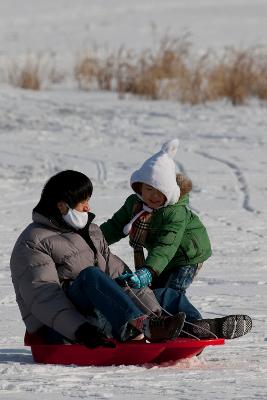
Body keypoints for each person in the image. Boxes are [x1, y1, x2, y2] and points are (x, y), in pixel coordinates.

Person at [10, 170, 186, 349]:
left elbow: (120, 277)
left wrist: (156, 318)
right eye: (83, 202)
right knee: (91, 276)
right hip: (63, 330)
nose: (88, 207)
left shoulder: (92, 232)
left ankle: (191, 329)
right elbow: (43, 298)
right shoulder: (33, 241)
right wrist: (81, 329)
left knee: (165, 295)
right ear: (62, 207)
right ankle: (138, 327)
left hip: (104, 315)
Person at [100, 139, 252, 339]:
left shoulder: (174, 212)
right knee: (153, 295)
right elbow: (114, 227)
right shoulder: (134, 204)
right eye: (149, 189)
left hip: (186, 256)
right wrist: (92, 241)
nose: (153, 196)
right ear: (139, 187)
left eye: (160, 192)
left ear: (169, 192)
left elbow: (167, 245)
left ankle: (196, 327)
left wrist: (149, 270)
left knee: (171, 292)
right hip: (161, 258)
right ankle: (164, 327)